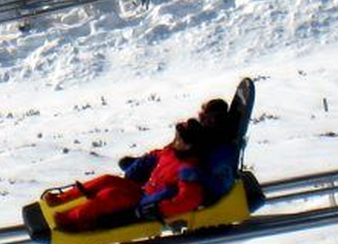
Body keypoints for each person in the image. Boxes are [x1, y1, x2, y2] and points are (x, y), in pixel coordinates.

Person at [47, 119, 207, 233]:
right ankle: (62, 199)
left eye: (179, 138)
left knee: (111, 195)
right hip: (142, 189)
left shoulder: (188, 169)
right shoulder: (172, 151)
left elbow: (190, 199)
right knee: (107, 179)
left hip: (145, 202)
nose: (175, 139)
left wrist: (159, 209)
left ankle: (72, 220)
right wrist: (135, 164)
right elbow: (155, 156)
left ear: (188, 145)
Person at [195, 98, 240, 203]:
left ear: (213, 120)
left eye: (204, 117)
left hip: (211, 194)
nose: (201, 120)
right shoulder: (209, 138)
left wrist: (192, 175)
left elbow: (218, 184)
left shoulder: (219, 149)